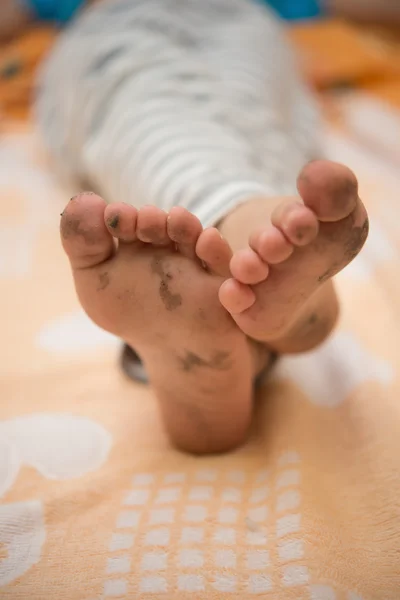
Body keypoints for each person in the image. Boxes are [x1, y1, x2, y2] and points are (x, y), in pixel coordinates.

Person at [12, 0, 372, 454]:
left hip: (213, 29)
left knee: (175, 124)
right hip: (160, 24)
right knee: (190, 121)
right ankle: (257, 241)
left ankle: (245, 283)